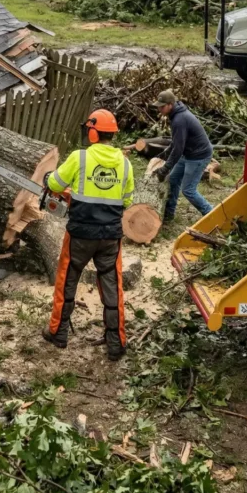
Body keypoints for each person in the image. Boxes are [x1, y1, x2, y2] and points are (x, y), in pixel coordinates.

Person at [42, 108, 134, 360]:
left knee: (67, 280)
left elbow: (54, 184)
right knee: (112, 285)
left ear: (93, 133)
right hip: (110, 237)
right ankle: (116, 341)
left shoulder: (79, 158)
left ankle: (58, 332)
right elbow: (126, 200)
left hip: (80, 234)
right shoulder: (126, 165)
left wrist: (52, 179)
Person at [153, 90, 213, 222]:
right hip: (188, 152)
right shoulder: (175, 114)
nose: (159, 109)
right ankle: (168, 215)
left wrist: (165, 168)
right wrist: (166, 152)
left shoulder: (179, 119)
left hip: (198, 155)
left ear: (170, 104)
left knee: (188, 190)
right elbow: (177, 141)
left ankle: (211, 213)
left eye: (162, 106)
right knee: (173, 180)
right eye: (158, 106)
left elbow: (179, 148)